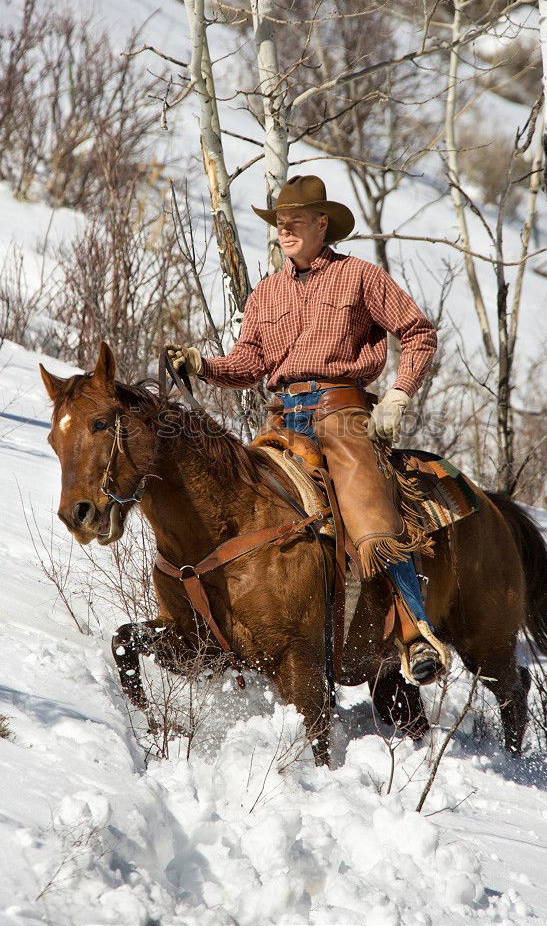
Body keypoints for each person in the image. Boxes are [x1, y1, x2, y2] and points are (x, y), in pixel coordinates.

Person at [166, 174, 445, 684]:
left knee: (369, 512)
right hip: (282, 419)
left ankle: (414, 631)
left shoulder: (361, 277)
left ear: (323, 224)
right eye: (279, 224)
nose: (284, 232)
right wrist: (202, 365)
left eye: (294, 222)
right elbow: (249, 363)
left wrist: (400, 394)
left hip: (343, 412)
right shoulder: (266, 293)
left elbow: (417, 332)